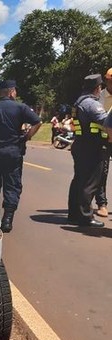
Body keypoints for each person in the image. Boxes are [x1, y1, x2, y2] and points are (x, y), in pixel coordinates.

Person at [0, 79, 42, 233]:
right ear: (11, 92)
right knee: (12, 185)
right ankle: (7, 220)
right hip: (13, 152)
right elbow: (37, 122)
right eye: (15, 90)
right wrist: (26, 137)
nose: (16, 93)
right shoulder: (20, 107)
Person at [68, 74, 108, 227]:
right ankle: (85, 216)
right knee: (90, 182)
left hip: (80, 144)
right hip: (91, 146)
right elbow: (105, 122)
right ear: (97, 88)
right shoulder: (92, 104)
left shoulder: (79, 102)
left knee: (79, 180)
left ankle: (73, 214)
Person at [95, 68, 112, 218]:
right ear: (107, 81)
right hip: (103, 137)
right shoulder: (100, 96)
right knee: (103, 170)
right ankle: (102, 204)